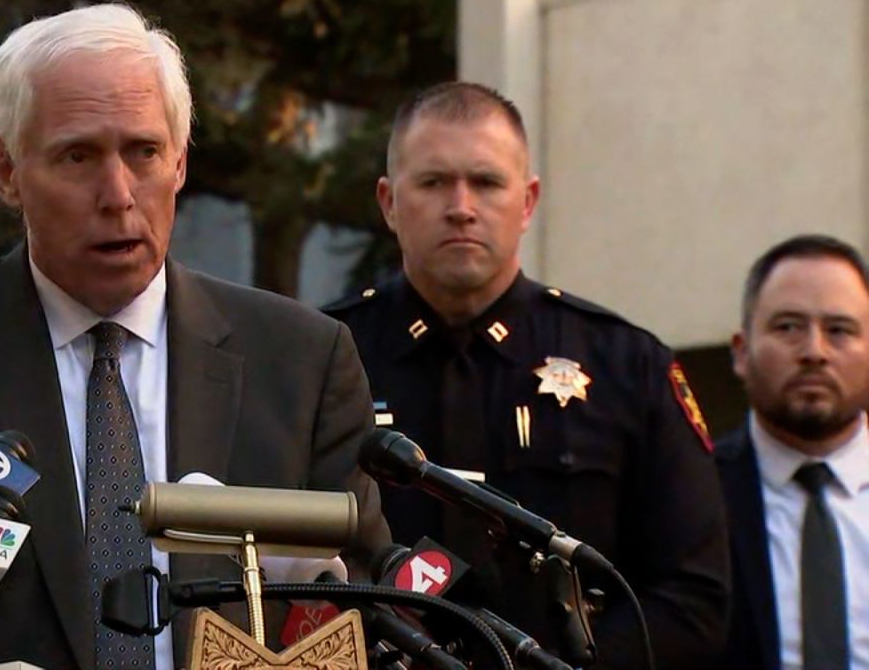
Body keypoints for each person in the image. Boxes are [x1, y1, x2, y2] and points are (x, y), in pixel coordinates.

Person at [0, 3, 388, 670]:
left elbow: (369, 622)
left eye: (143, 152)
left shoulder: (302, 361)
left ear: (179, 162)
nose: (117, 194)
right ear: (6, 170)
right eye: (78, 156)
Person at [326, 81, 729, 668]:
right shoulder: (325, 356)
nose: (461, 206)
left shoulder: (626, 365)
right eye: (433, 182)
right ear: (388, 201)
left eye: (486, 182)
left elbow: (693, 596)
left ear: (529, 201)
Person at [717, 234, 869, 670]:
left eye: (839, 330)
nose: (814, 352)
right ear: (741, 352)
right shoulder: (690, 496)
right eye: (788, 327)